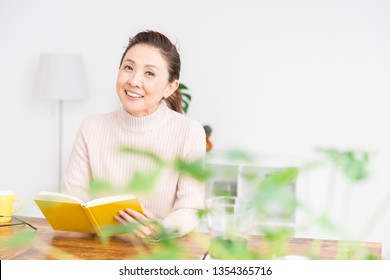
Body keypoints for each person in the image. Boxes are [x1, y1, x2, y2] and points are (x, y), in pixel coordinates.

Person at [63, 30, 206, 239]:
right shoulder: (91, 128)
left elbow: (190, 209)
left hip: (158, 253)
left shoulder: (189, 132)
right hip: (102, 248)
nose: (134, 81)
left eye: (149, 73)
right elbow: (73, 199)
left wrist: (163, 229)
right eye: (128, 67)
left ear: (170, 87)